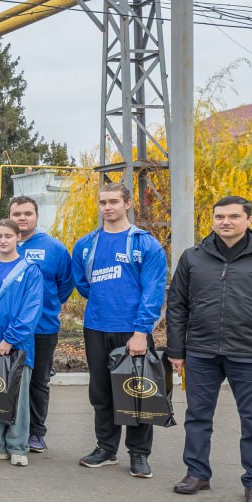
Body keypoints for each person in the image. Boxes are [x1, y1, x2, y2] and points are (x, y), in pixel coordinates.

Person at [166, 196, 252, 502]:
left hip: (251, 354)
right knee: (197, 417)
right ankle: (197, 473)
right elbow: (177, 305)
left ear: (249, 220)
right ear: (213, 220)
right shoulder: (193, 257)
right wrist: (176, 350)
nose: (225, 222)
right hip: (201, 352)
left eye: (233, 216)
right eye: (219, 217)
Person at [71, 181, 168, 479]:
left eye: (113, 201)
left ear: (127, 204)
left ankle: (139, 454)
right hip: (96, 327)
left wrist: (141, 331)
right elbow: (82, 284)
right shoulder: (86, 244)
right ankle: (106, 449)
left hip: (132, 331)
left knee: (137, 393)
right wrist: (105, 300)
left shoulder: (145, 244)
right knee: (101, 393)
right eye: (103, 202)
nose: (107, 207)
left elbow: (153, 291)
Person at [0, 196, 74, 453]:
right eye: (17, 214)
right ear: (9, 216)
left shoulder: (54, 248)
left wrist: (47, 306)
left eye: (27, 213)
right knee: (0, 378)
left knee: (37, 382)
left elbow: (65, 284)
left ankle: (35, 432)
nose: (22, 218)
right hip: (1, 331)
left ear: (36, 216)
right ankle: (1, 432)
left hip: (42, 328)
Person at [0, 219, 44, 466]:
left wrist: (10, 339)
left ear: (18, 238)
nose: (2, 240)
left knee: (18, 397)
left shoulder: (29, 270)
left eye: (8, 236)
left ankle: (17, 446)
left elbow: (31, 308)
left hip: (18, 346)